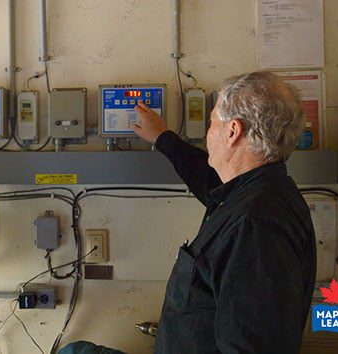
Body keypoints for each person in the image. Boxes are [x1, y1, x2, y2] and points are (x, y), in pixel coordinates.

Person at [132, 71, 317, 354]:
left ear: (232, 131)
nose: (207, 134)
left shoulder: (256, 224)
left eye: (211, 123)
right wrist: (162, 137)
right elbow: (207, 180)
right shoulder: (251, 193)